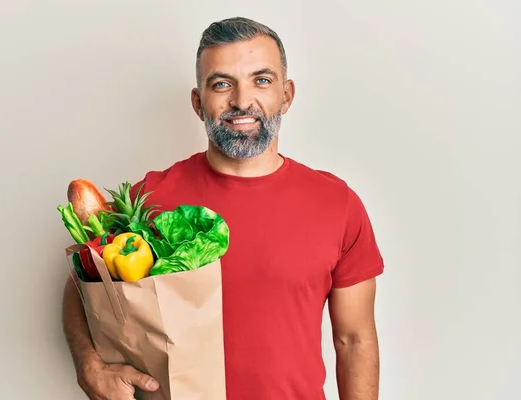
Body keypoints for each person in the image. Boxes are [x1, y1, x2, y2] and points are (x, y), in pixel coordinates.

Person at [62, 16, 384, 400]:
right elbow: (80, 286)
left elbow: (354, 340)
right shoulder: (149, 199)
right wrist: (90, 366)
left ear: (287, 95)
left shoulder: (337, 203)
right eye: (221, 84)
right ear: (199, 103)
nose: (242, 101)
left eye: (261, 80)